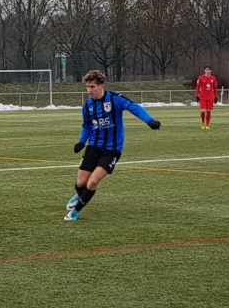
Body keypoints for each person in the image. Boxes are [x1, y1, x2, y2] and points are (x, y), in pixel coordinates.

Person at [65, 70, 161, 221]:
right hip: (93, 147)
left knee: (93, 181)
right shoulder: (88, 105)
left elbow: (134, 107)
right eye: (87, 87)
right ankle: (80, 196)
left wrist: (149, 121)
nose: (89, 90)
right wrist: (82, 142)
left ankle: (75, 212)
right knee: (81, 182)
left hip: (112, 150)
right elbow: (87, 126)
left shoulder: (115, 99)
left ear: (101, 86)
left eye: (92, 87)